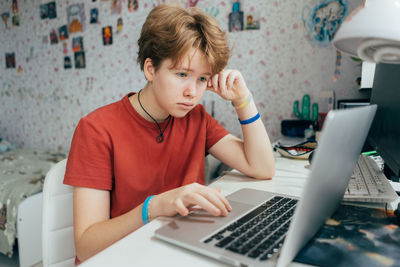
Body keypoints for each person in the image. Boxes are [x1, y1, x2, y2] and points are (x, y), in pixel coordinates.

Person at [64, 3, 275, 263]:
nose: (192, 92)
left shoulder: (196, 118)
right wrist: (154, 207)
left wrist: (243, 100)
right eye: (182, 74)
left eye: (201, 79)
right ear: (150, 69)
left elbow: (262, 168)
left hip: (176, 252)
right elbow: (86, 247)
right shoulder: (96, 130)